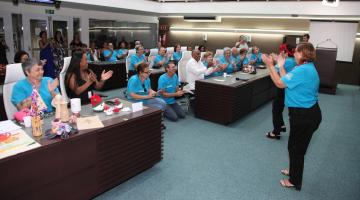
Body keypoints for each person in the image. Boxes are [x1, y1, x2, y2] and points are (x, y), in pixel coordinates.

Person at [262, 42, 322, 191]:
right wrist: (281, 65)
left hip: (304, 116)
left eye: (296, 52)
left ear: (303, 54)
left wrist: (270, 65)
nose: (294, 54)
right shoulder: (305, 68)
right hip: (307, 113)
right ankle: (293, 170)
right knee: (294, 146)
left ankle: (294, 181)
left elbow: (279, 83)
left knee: (296, 148)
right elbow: (287, 80)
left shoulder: (303, 70)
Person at [266, 44, 297, 140]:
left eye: (281, 51)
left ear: (285, 52)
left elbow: (273, 70)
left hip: (282, 87)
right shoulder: (293, 61)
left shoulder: (287, 61)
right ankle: (281, 125)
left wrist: (271, 62)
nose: (280, 53)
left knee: (276, 109)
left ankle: (276, 132)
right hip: (287, 87)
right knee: (279, 107)